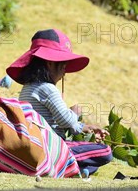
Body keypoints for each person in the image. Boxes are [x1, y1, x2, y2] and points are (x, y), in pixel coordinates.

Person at [6, 28, 113, 175]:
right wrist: (75, 112)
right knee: (105, 151)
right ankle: (68, 166)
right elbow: (65, 120)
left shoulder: (28, 88)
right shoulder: (48, 88)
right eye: (63, 65)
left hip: (34, 145)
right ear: (50, 63)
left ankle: (73, 169)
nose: (64, 71)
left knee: (87, 156)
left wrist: (84, 127)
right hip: (50, 147)